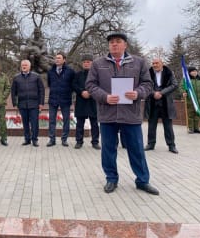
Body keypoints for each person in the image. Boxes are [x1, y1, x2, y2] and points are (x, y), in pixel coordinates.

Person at [86, 32, 159, 195]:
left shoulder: (139, 62)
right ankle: (111, 179)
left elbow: (148, 84)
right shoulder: (98, 64)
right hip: (108, 114)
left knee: (136, 149)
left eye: (118, 41)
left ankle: (142, 181)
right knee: (108, 149)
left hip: (130, 115)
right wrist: (104, 97)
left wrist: (138, 93)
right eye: (111, 42)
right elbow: (90, 85)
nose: (114, 44)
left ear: (125, 45)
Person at [144, 58, 179, 154]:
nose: (155, 65)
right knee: (151, 125)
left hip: (166, 103)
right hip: (152, 102)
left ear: (162, 64)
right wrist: (154, 93)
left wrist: (162, 93)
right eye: (153, 63)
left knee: (168, 126)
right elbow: (145, 86)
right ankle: (150, 144)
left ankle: (171, 145)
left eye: (157, 63)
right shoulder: (148, 73)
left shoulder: (169, 72)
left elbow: (174, 85)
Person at [11, 60, 45, 147]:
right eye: (22, 65)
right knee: (25, 123)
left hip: (34, 104)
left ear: (29, 67)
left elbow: (41, 90)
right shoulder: (16, 78)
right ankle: (27, 139)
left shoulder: (36, 76)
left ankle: (35, 140)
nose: (24, 66)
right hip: (22, 104)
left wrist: (41, 103)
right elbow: (13, 91)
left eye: (26, 65)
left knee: (34, 123)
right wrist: (14, 103)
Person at [46, 52, 75, 147]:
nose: (57, 59)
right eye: (56, 58)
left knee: (66, 120)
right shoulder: (50, 71)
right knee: (52, 120)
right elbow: (49, 84)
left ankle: (64, 139)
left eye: (59, 58)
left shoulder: (70, 71)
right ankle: (52, 139)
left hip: (65, 99)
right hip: (53, 99)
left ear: (64, 60)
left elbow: (73, 84)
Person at [72, 54, 100, 150]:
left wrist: (91, 92)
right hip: (81, 101)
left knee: (94, 123)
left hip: (93, 101)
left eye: (88, 62)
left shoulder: (97, 74)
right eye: (84, 62)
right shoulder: (78, 74)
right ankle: (79, 141)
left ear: (92, 63)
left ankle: (95, 142)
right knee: (80, 123)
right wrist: (81, 91)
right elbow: (74, 85)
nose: (86, 63)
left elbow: (99, 86)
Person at [181, 66, 200, 134]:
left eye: (195, 71)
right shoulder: (186, 80)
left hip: (199, 101)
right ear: (189, 73)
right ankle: (191, 128)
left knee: (198, 115)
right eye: (193, 71)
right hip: (190, 100)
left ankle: (196, 128)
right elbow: (182, 87)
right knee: (190, 115)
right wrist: (183, 92)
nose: (194, 72)